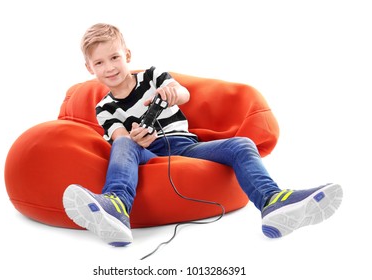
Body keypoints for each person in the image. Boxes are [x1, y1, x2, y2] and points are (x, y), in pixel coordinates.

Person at [62, 23, 343, 247]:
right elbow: (119, 135)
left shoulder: (152, 75)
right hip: (144, 153)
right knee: (122, 143)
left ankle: (272, 202)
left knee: (242, 144)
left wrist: (173, 93)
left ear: (128, 56)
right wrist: (135, 138)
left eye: (114, 57)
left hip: (185, 147)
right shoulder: (104, 107)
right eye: (99, 63)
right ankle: (116, 206)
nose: (110, 67)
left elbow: (184, 94)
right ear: (89, 68)